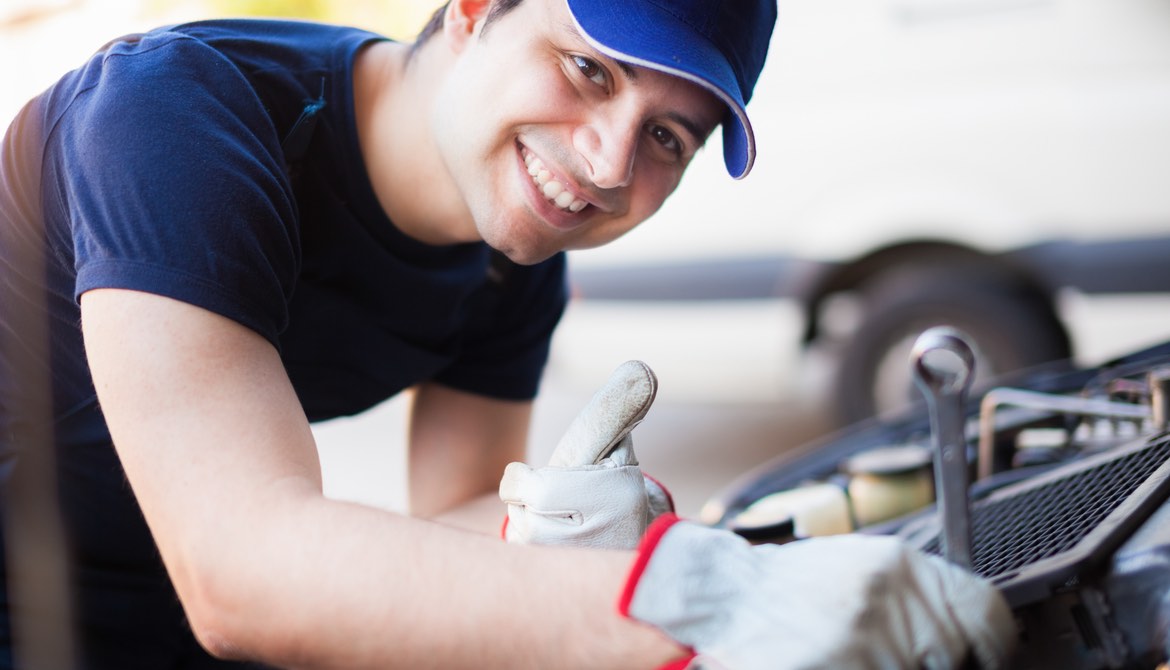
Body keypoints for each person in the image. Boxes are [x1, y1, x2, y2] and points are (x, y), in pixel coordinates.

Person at [0, 0, 1016, 667]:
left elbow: (455, 516)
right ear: (479, 8)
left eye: (670, 136)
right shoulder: (172, 120)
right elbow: (240, 567)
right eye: (590, 71)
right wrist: (691, 598)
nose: (613, 164)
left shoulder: (512, 256)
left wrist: (564, 534)